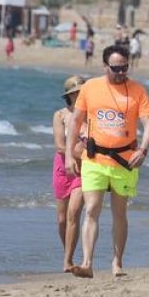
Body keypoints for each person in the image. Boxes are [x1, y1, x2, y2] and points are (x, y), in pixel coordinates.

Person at [65, 45, 149, 278]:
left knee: (119, 213)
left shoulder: (138, 91)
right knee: (92, 209)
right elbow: (75, 122)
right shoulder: (90, 88)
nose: (121, 72)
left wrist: (143, 150)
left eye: (125, 67)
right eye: (115, 68)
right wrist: (68, 155)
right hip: (95, 158)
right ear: (105, 66)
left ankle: (117, 262)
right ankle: (87, 263)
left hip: (125, 160)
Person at [53, 75, 87, 272]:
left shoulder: (91, 115)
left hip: (84, 168)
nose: (80, 96)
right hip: (62, 167)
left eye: (83, 92)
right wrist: (72, 154)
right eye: (76, 93)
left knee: (74, 213)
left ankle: (67, 261)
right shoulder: (60, 115)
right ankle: (69, 252)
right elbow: (59, 145)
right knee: (62, 218)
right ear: (69, 95)